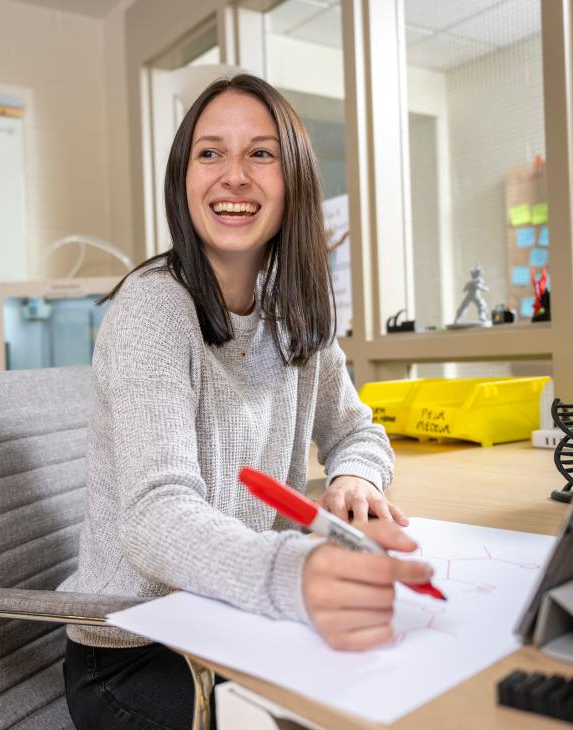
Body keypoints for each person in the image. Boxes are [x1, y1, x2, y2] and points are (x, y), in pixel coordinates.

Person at [61, 73, 434, 730]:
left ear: (293, 182)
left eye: (260, 153)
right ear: (183, 179)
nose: (234, 175)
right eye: (210, 153)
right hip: (141, 650)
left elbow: (356, 430)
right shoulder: (153, 309)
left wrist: (355, 476)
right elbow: (155, 517)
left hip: (234, 619)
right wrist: (295, 571)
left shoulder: (293, 314)